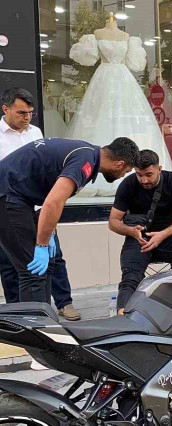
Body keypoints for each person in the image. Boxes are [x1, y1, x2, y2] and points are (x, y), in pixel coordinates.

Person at [0, 137, 138, 304]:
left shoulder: (88, 153)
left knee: (45, 265)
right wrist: (42, 244)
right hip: (7, 194)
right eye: (126, 172)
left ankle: (42, 315)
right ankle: (33, 320)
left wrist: (48, 233)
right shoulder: (84, 162)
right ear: (119, 164)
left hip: (19, 196)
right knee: (32, 270)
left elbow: (48, 194)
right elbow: (54, 202)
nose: (123, 176)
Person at [0, 88, 80, 321]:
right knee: (11, 263)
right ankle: (17, 310)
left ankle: (64, 302)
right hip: (10, 208)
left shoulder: (35, 132)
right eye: (21, 113)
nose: (27, 118)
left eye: (30, 113)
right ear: (6, 109)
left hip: (39, 206)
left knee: (53, 256)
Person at [109, 150, 172, 314]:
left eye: (149, 174)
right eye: (139, 175)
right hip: (138, 239)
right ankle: (122, 315)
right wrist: (131, 231)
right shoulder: (128, 184)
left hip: (167, 236)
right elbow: (113, 222)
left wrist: (162, 235)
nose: (144, 180)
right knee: (130, 277)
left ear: (159, 169)